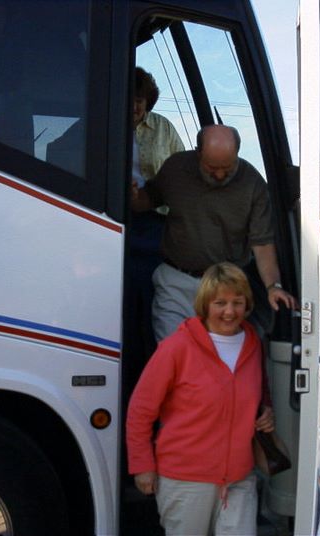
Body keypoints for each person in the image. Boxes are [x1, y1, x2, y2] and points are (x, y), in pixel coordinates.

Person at [126, 262, 275, 535]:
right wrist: (142, 466)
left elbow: (260, 390)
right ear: (205, 304)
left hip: (239, 479)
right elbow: (140, 410)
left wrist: (266, 410)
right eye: (220, 303)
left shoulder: (253, 344)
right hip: (185, 481)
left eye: (237, 302)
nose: (229, 312)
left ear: (247, 305)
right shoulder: (176, 348)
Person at [132, 124, 296, 341]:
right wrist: (133, 196)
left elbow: (262, 244)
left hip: (224, 288)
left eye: (228, 168)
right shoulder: (176, 168)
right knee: (172, 356)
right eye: (212, 168)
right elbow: (148, 199)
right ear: (198, 153)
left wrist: (272, 286)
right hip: (175, 281)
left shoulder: (254, 185)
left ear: (237, 154)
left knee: (219, 360)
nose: (219, 175)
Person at [126, 67, 185, 361]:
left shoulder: (163, 128)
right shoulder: (101, 126)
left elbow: (185, 172)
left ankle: (156, 365)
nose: (135, 106)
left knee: (155, 299)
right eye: (129, 98)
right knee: (125, 301)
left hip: (156, 225)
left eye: (140, 99)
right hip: (117, 221)